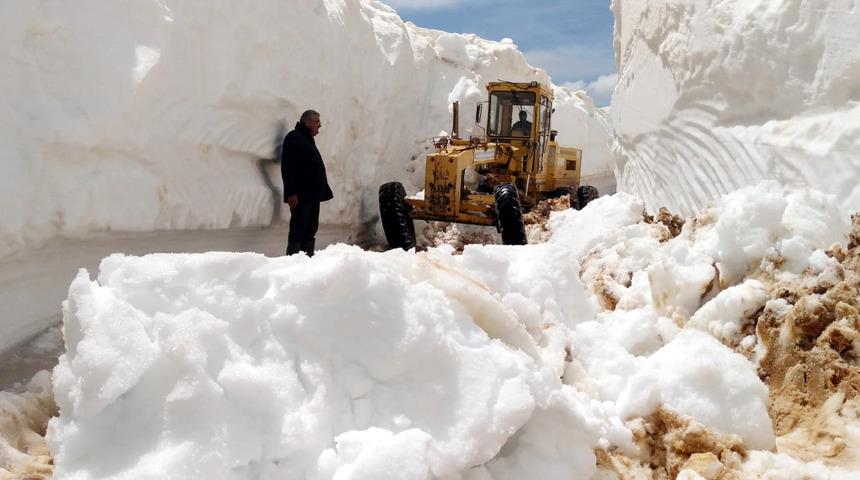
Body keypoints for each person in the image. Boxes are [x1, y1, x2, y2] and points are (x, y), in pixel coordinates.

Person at [280, 109, 333, 256]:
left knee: (310, 229)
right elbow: (288, 168)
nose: (320, 126)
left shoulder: (306, 138)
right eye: (317, 122)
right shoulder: (294, 138)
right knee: (298, 229)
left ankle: (307, 261)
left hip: (312, 195)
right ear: (307, 122)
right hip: (301, 196)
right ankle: (293, 260)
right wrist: (291, 193)